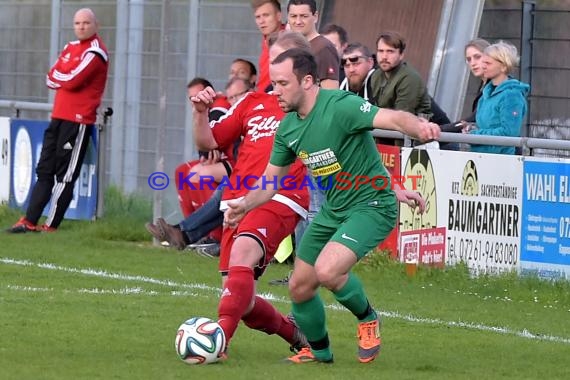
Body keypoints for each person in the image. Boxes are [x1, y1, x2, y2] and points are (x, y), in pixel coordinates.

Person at [224, 48, 439, 364]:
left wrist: (418, 126)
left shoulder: (341, 106)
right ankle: (320, 352)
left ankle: (367, 318)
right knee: (299, 287)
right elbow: (269, 182)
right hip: (334, 211)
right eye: (274, 83)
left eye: (283, 83)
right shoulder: (288, 129)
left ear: (307, 81)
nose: (275, 91)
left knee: (327, 270)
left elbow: (392, 117)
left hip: (372, 205)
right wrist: (244, 205)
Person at [157, 59, 313, 359]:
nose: (277, 85)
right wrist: (199, 112)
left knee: (242, 258)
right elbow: (209, 139)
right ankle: (295, 333)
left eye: (283, 80)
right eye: (275, 80)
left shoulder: (309, 108)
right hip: (236, 201)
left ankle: (218, 342)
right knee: (243, 301)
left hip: (280, 196)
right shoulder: (252, 102)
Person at [8, 8, 108, 233]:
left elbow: (71, 79)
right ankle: (29, 221)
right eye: (77, 23)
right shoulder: (69, 48)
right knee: (44, 171)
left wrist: (61, 76)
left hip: (78, 120)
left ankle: (50, 226)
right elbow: (50, 77)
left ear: (96, 25)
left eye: (86, 23)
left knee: (65, 175)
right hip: (58, 117)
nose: (81, 27)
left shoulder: (96, 52)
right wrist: (61, 76)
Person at [147, 78, 253, 257]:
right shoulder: (236, 111)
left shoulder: (227, 106)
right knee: (191, 174)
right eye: (232, 96)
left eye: (239, 95)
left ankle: (191, 234)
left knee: (219, 184)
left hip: (259, 173)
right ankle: (185, 233)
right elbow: (210, 141)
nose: (234, 100)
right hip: (246, 170)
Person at [466, 41, 530, 155]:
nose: (483, 66)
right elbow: (484, 125)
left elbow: (509, 132)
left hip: (501, 160)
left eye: (488, 63)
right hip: (479, 157)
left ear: (503, 67)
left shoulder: (511, 96)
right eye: (484, 62)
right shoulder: (485, 95)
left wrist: (475, 135)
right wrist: (470, 130)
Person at [287, 0, 339, 89]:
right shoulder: (290, 47)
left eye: (304, 16)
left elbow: (331, 93)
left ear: (315, 17)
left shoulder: (324, 48)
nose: (298, 21)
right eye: (293, 16)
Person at [251, 0, 285, 93]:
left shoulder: (287, 39)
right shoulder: (266, 39)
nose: (261, 21)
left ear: (279, 16)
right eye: (258, 17)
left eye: (266, 15)